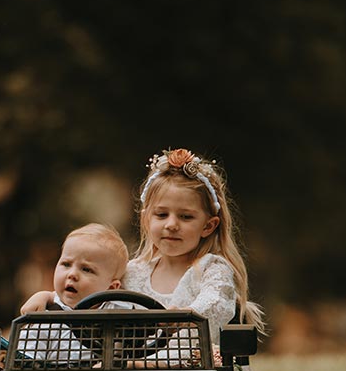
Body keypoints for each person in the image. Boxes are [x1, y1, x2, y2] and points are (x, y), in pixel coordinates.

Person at [21, 148, 263, 347]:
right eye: (161, 214)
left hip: (190, 367)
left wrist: (185, 316)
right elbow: (92, 296)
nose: (171, 225)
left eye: (186, 217)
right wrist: (48, 297)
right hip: (126, 370)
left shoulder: (212, 270)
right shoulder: (132, 271)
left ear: (208, 226)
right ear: (147, 219)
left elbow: (215, 307)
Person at [16, 223, 132, 364]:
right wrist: (43, 295)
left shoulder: (118, 312)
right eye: (66, 264)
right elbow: (24, 365)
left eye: (86, 269)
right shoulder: (46, 318)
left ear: (112, 288)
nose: (72, 274)